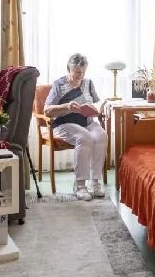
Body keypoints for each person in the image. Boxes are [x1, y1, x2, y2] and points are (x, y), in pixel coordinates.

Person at [44, 53, 107, 201]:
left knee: (101, 135)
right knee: (84, 137)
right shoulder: (59, 85)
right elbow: (46, 110)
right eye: (77, 72)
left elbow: (95, 103)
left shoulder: (88, 83)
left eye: (83, 71)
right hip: (64, 123)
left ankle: (94, 182)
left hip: (87, 122)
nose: (81, 75)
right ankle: (80, 185)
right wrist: (67, 106)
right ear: (68, 69)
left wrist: (95, 110)